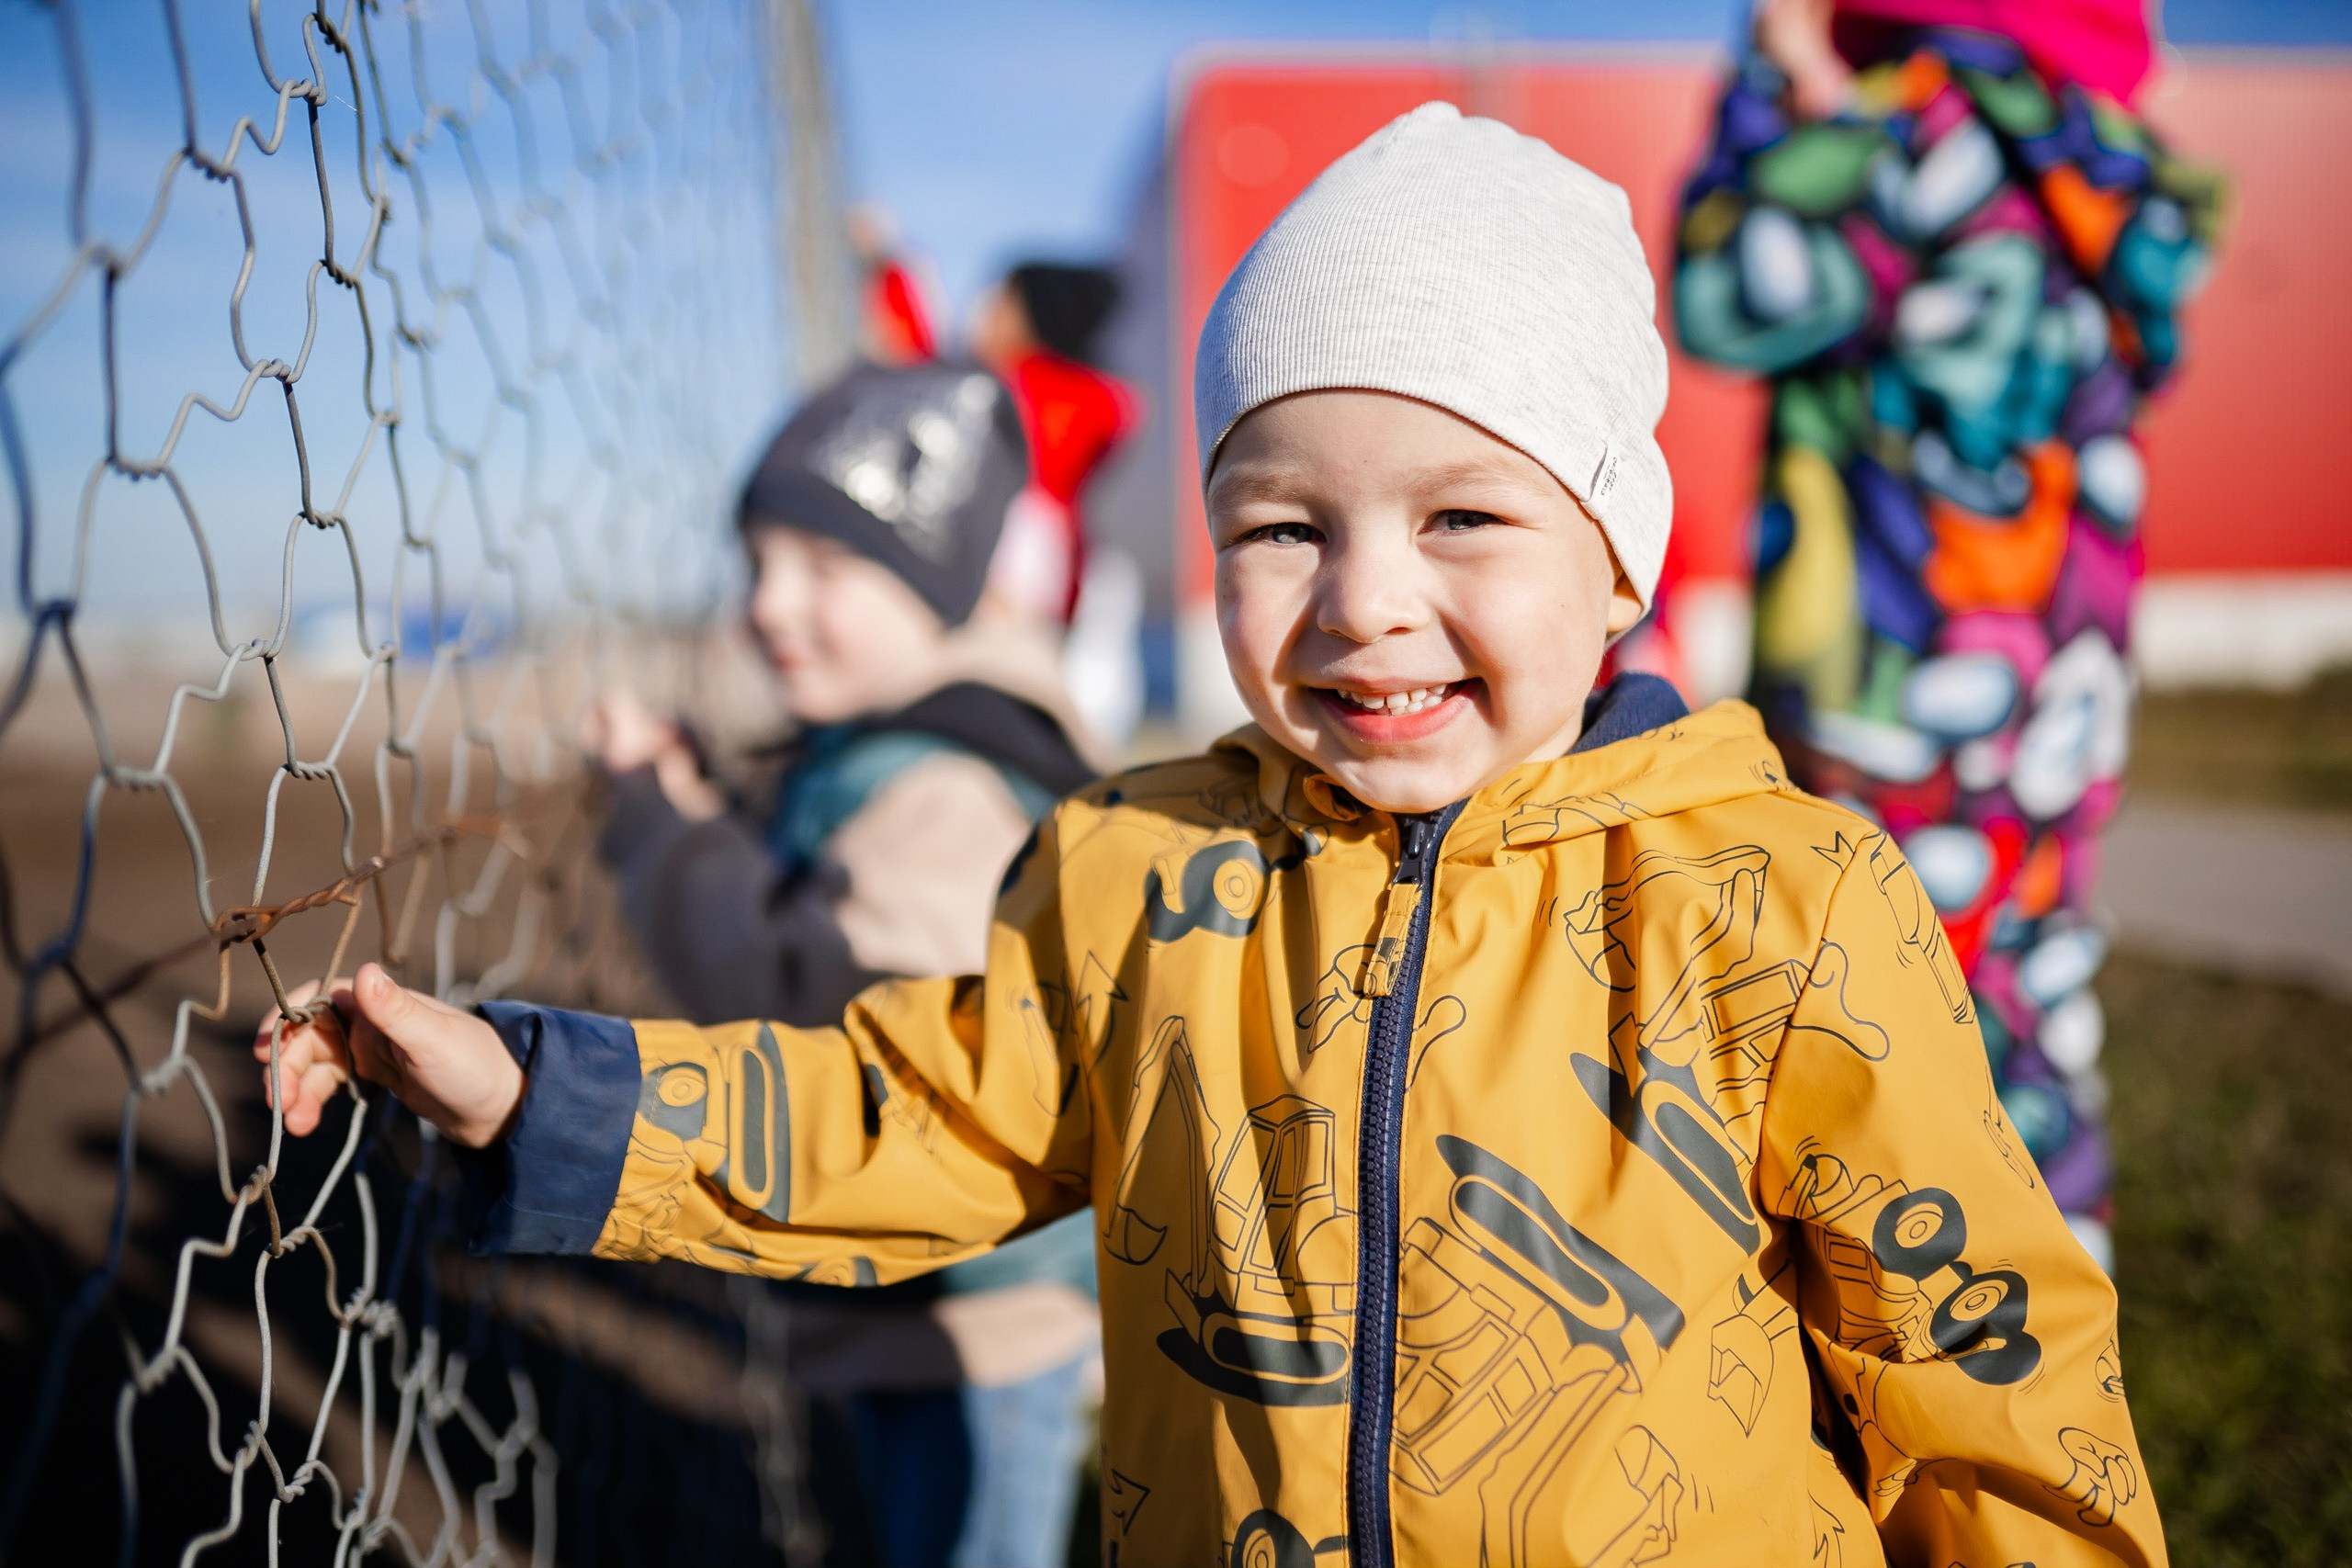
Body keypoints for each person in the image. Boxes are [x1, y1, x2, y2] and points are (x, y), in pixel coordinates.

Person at [259, 104, 2165, 1564]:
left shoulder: (1780, 903)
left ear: (1615, 560)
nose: (1358, 601)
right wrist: (533, 1088)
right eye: (1281, 523)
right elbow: (907, 1113)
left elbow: (1981, 1373)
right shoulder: (1129, 869)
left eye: (1459, 520)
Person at [1673, 0, 2222, 1271]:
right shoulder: (2104, 170)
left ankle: (1894, 1355)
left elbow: (1722, 290)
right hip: (2065, 681)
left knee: (1863, 1004)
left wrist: (1777, 66)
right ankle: (2050, 1326)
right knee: (2026, 983)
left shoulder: (1917, 125)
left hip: (1901, 669)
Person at [588, 361, 1104, 1568]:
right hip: (947, 1303)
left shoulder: (942, 784)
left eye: (825, 568)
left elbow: (806, 1001)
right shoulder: (910, 742)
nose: (770, 604)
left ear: (938, 586)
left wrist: (665, 829)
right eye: (758, 563)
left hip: (972, 1328)